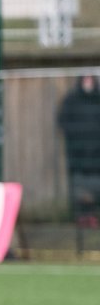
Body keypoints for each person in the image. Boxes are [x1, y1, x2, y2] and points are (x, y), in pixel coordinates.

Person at [57, 74, 100, 226]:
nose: (88, 83)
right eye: (85, 79)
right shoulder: (72, 100)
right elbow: (63, 121)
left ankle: (93, 215)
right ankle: (82, 216)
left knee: (96, 187)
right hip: (78, 154)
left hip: (96, 156)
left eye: (90, 79)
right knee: (79, 187)